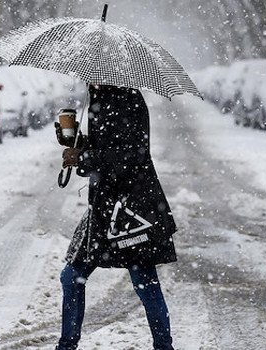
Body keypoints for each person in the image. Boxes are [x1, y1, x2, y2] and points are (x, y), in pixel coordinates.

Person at [54, 85, 177, 350]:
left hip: (130, 210)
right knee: (71, 276)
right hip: (104, 207)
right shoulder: (102, 94)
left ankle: (164, 347)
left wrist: (83, 157)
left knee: (145, 282)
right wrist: (74, 140)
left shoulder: (125, 98)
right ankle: (66, 346)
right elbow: (109, 145)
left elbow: (131, 155)